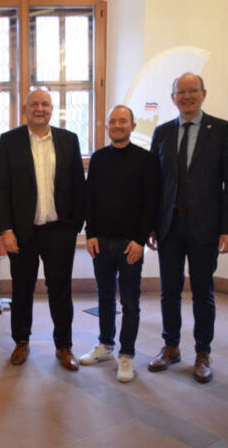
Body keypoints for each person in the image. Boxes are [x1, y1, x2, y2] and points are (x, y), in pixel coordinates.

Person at [147, 73, 228, 383]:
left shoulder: (221, 130)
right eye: (180, 92)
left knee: (203, 292)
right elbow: (153, 185)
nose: (186, 96)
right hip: (169, 227)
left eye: (192, 91)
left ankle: (203, 352)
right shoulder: (161, 133)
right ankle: (171, 346)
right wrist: (150, 224)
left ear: (203, 94)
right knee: (169, 292)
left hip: (206, 228)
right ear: (172, 97)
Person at [0, 89, 85, 370]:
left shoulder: (69, 140)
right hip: (22, 232)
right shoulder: (9, 141)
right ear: (25, 109)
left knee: (60, 289)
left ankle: (64, 346)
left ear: (52, 108)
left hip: (59, 230)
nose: (40, 108)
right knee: (22, 289)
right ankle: (21, 342)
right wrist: (5, 229)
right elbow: (2, 188)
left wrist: (74, 227)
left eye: (45, 104)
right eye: (34, 104)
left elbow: (78, 187)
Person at [79, 105, 158, 382]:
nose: (117, 125)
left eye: (123, 121)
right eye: (113, 121)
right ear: (107, 127)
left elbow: (150, 203)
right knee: (104, 297)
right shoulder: (99, 159)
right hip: (101, 242)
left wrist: (140, 240)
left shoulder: (146, 160)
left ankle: (127, 356)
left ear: (132, 126)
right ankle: (105, 345)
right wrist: (90, 234)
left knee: (131, 302)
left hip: (130, 245)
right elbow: (90, 198)